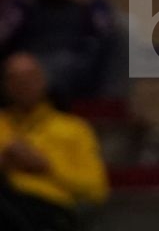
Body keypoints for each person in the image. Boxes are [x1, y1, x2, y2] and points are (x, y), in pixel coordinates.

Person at [0, 53, 107, 230]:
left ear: (43, 80)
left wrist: (46, 167)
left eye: (29, 77)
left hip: (49, 210)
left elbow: (96, 190)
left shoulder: (74, 128)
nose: (23, 84)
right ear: (5, 85)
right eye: (15, 78)